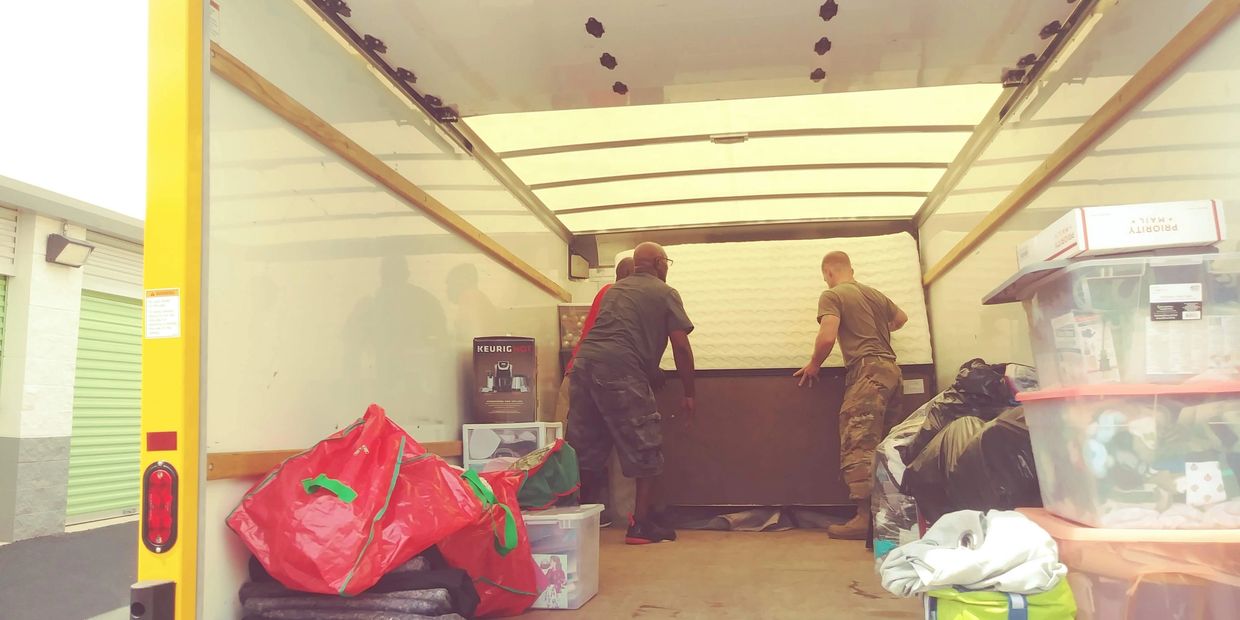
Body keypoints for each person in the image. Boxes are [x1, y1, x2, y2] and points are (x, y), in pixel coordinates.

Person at [568, 242, 696, 545]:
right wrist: (689, 392)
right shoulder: (665, 292)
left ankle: (575, 526)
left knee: (584, 450)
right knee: (645, 446)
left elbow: (617, 333)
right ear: (660, 262)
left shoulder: (614, 291)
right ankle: (640, 526)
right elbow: (680, 345)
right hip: (620, 370)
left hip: (583, 367)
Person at [794, 251, 908, 540]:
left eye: (825, 277)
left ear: (829, 272)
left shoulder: (833, 295)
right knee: (886, 445)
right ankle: (889, 516)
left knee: (859, 442)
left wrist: (814, 364)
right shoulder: (874, 294)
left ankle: (864, 519)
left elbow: (827, 336)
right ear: (851, 269)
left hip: (867, 372)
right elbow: (901, 318)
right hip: (892, 371)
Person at [553, 257, 636, 425]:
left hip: (577, 367)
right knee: (567, 425)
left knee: (565, 423)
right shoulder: (616, 293)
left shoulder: (605, 291)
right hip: (587, 371)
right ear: (628, 274)